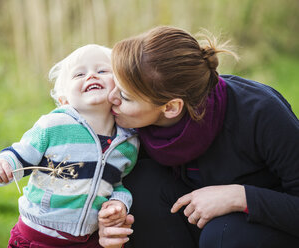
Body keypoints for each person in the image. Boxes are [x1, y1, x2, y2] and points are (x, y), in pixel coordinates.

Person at [98, 26, 299, 248]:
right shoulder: (123, 122)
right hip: (198, 217)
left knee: (223, 234)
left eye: (125, 96)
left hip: (266, 224)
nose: (111, 97)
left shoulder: (261, 112)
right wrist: (112, 222)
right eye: (115, 84)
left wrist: (238, 197)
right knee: (142, 183)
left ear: (172, 107)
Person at [0, 44, 139, 248]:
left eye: (102, 71)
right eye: (79, 74)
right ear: (64, 99)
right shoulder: (54, 126)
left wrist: (119, 203)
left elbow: (117, 184)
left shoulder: (128, 143)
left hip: (89, 241)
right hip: (37, 236)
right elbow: (19, 155)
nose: (91, 76)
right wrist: (1, 164)